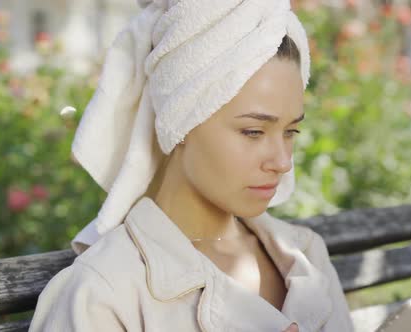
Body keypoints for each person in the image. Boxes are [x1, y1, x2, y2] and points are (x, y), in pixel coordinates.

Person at [29, 0, 354, 331]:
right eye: (253, 132)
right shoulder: (104, 293)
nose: (283, 162)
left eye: (290, 132)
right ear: (180, 121)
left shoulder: (306, 255)